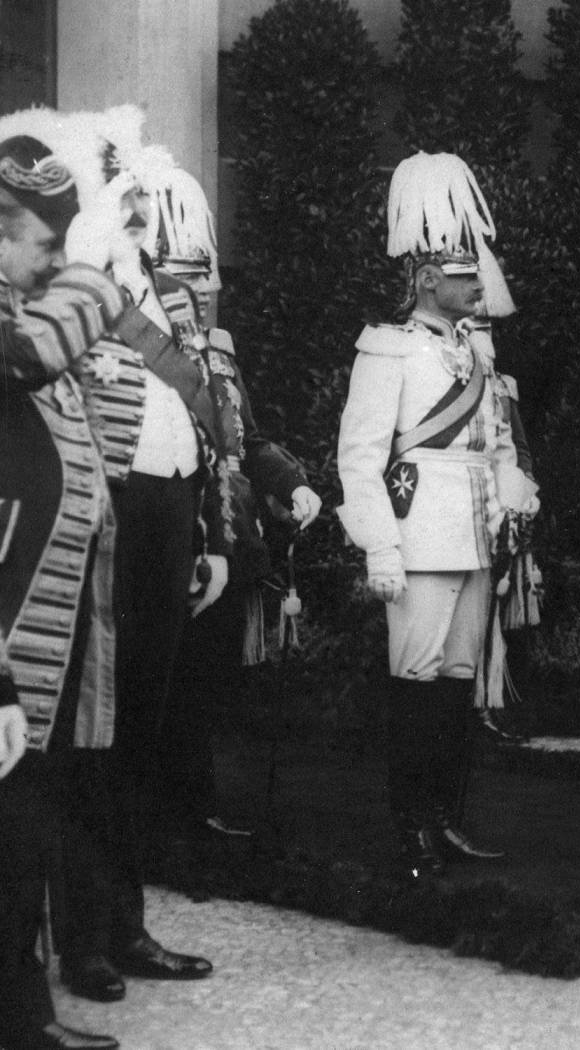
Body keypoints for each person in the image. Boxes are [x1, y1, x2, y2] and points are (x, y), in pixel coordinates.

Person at [1, 106, 219, 1006]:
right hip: (87, 541)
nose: (144, 220)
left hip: (150, 524)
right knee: (73, 754)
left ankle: (119, 921)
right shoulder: (70, 295)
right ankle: (82, 939)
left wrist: (209, 534)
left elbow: (202, 428)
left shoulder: (153, 298)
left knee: (133, 742)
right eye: (128, 205)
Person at [337, 151, 536, 878]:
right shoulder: (387, 347)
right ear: (426, 279)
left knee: (457, 687)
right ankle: (409, 827)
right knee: (415, 685)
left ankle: (447, 818)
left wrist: (514, 491)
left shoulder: (477, 351)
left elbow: (500, 442)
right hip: (419, 535)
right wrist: (378, 548)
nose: (477, 285)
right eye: (462, 275)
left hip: (476, 533)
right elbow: (359, 457)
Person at [114, 149, 320, 839]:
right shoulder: (136, 344)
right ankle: (157, 814)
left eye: (208, 275)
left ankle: (192, 806)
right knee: (157, 681)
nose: (202, 289)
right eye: (188, 274)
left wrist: (291, 482)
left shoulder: (221, 351)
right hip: (164, 526)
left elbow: (245, 438)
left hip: (227, 532)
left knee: (203, 681)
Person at [0, 123, 139, 1050]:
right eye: (42, 245)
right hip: (6, 638)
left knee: (19, 838)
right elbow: (32, 357)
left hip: (40, 640)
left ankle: (22, 1018)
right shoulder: (22, 332)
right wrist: (97, 275)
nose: (52, 265)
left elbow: (108, 455)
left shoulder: (32, 322)